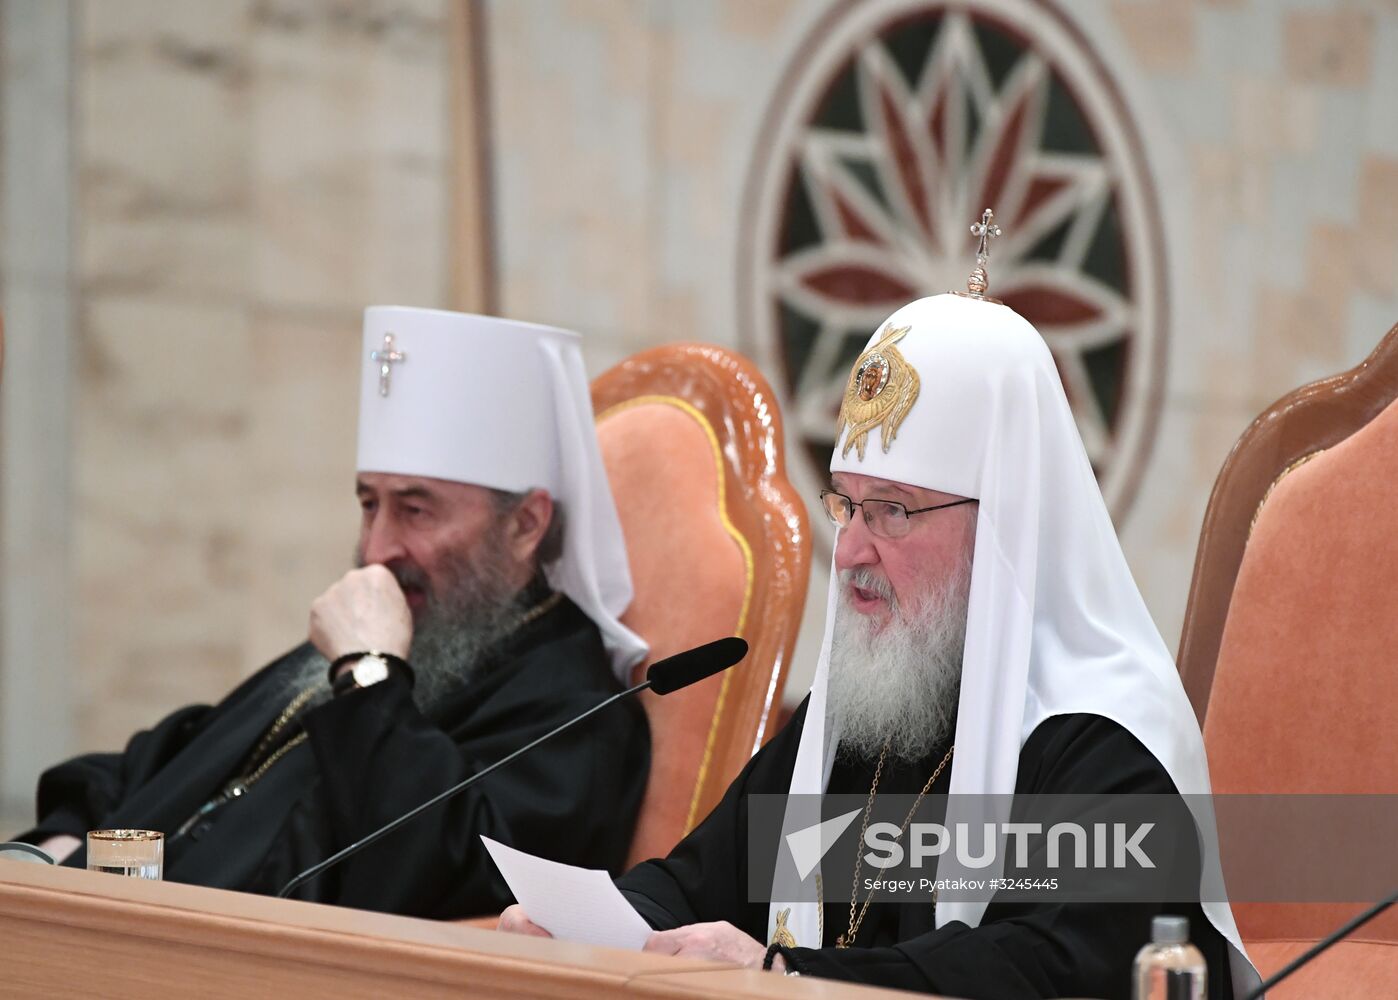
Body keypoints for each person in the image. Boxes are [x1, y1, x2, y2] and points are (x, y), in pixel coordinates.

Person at [502, 256, 1261, 996]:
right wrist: (598, 930)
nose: (854, 549)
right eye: (847, 504)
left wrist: (787, 976)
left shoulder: (1108, 740)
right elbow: (704, 883)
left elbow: (1045, 968)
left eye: (893, 509)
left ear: (1004, 526)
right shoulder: (871, 706)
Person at [15, 307, 651, 919]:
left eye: (416, 510)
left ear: (525, 524)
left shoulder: (575, 714)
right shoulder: (417, 629)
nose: (376, 549)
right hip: (136, 929)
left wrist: (370, 674)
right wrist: (58, 847)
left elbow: (431, 869)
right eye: (369, 504)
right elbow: (194, 768)